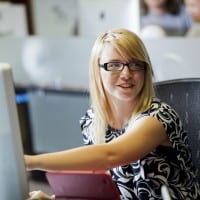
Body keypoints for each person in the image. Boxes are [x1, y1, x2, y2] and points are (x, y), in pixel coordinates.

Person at [25, 28, 200, 200]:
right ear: (97, 71)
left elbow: (110, 155)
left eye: (135, 64)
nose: (126, 74)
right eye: (115, 65)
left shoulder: (158, 117)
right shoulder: (92, 121)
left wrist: (32, 162)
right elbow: (100, 188)